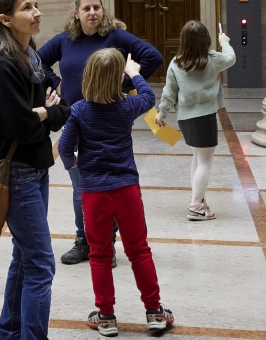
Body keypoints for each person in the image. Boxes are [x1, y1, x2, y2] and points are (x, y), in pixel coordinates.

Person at [38, 0, 163, 266]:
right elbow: (38, 62)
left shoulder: (115, 37)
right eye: (87, 8)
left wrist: (124, 85)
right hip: (76, 118)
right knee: (80, 186)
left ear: (102, 10)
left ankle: (107, 242)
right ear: (77, 13)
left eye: (97, 7)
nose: (93, 12)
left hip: (109, 119)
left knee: (111, 183)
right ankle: (84, 240)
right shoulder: (65, 40)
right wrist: (54, 82)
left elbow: (152, 57)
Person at [58, 49, 174, 337]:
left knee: (99, 254)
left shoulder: (79, 110)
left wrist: (73, 164)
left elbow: (64, 147)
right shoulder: (128, 106)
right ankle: (155, 312)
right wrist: (134, 71)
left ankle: (107, 317)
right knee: (138, 250)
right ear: (118, 79)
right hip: (126, 189)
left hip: (94, 192)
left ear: (88, 77)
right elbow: (149, 98)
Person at [0, 0, 70, 340]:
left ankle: (10, 334)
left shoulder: (30, 56)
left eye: (37, 5)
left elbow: (59, 103)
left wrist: (46, 111)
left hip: (37, 167)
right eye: (27, 7)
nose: (37, 12)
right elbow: (19, 125)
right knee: (41, 264)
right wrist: (48, 112)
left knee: (24, 256)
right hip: (16, 173)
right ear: (6, 19)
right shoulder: (1, 65)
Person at [156, 21, 236, 221]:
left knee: (197, 158)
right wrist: (224, 42)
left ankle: (197, 199)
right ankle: (195, 207)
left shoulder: (176, 62)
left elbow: (169, 93)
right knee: (205, 162)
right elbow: (231, 58)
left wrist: (162, 113)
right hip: (205, 117)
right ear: (206, 40)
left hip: (185, 118)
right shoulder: (214, 59)